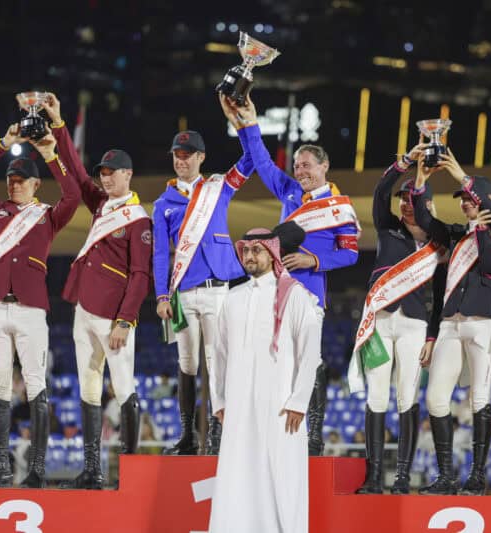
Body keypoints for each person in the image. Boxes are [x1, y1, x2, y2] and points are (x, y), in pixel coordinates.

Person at [223, 94, 360, 456]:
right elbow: (262, 161)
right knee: (274, 359)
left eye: (306, 165)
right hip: (276, 290)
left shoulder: (340, 209)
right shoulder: (288, 192)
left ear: (324, 166)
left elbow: (349, 254)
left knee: (309, 360)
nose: (300, 171)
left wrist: (313, 260)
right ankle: (276, 428)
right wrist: (250, 122)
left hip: (310, 292)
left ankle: (314, 434)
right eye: (297, 166)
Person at [42, 94, 152, 489]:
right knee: (88, 387)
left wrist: (125, 321)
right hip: (85, 310)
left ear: (128, 175)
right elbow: (73, 167)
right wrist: (58, 123)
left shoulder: (138, 220)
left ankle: (132, 473)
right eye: (103, 173)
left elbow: (140, 275)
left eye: (112, 173)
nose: (105, 178)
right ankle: (92, 470)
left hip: (114, 317)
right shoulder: (102, 204)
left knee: (123, 387)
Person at [0, 124, 80, 488]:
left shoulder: (47, 216)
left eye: (21, 180)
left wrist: (50, 155)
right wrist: (5, 143)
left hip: (30, 310)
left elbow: (73, 194)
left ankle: (37, 470)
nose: (14, 184)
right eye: (11, 179)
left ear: (36, 185)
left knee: (35, 385)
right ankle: (0, 468)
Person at [345, 143, 446, 495]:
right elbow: (380, 191)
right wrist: (404, 163)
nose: (404, 203)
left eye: (411, 198)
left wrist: (432, 336)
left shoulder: (437, 240)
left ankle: (402, 477)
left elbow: (440, 294)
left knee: (407, 397)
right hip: (380, 320)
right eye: (402, 198)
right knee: (377, 397)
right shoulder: (388, 228)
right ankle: (373, 477)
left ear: (426, 204)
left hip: (414, 324)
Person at [208, 225, 321, 533]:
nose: (249, 256)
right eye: (245, 250)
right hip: (238, 403)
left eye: (256, 250)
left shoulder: (295, 295)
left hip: (281, 406)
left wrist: (299, 401)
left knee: (281, 474)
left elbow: (310, 353)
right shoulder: (232, 298)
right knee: (237, 473)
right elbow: (219, 353)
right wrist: (219, 400)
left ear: (272, 254)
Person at [413, 150, 491, 495]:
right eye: (462, 199)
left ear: (485, 200)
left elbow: (490, 265)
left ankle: (478, 475)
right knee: (435, 398)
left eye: (470, 198)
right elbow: (425, 221)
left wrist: (462, 177)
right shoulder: (455, 235)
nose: (465, 203)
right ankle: (446, 477)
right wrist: (421, 181)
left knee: (479, 398)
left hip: (485, 323)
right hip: (450, 324)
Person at [153, 124, 254, 457]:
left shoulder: (217, 187)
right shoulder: (163, 203)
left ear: (201, 157)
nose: (180, 161)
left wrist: (245, 124)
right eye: (176, 155)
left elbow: (251, 159)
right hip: (183, 293)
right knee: (186, 363)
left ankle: (217, 433)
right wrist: (161, 295)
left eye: (186, 155)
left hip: (217, 288)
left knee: (217, 360)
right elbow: (159, 253)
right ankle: (188, 435)